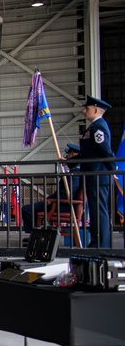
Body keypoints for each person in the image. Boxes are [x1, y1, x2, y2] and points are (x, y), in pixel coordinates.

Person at [75, 96, 116, 248]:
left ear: (97, 110)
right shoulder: (93, 127)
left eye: (87, 109)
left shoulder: (99, 126)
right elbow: (89, 151)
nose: (84, 111)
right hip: (93, 174)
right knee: (95, 210)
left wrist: (112, 169)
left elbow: (104, 149)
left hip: (98, 174)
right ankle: (96, 241)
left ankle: (101, 244)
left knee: (99, 210)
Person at [21, 143, 83, 232]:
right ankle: (37, 233)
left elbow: (65, 194)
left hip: (63, 205)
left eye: (68, 155)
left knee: (27, 209)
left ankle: (34, 234)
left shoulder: (75, 174)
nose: (67, 158)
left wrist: (51, 200)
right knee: (33, 208)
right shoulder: (76, 172)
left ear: (73, 155)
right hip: (60, 202)